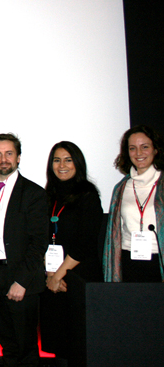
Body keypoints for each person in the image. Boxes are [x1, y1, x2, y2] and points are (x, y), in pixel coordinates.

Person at [0, 133, 48, 367]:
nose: (3, 159)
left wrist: (22, 281)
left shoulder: (34, 193)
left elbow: (39, 242)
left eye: (9, 153)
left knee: (26, 349)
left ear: (18, 158)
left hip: (21, 278)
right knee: (7, 344)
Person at [39, 141, 103, 366]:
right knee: (59, 346)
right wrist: (50, 275)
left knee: (78, 346)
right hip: (53, 281)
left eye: (68, 159)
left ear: (77, 163)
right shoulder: (48, 196)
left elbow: (85, 243)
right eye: (57, 160)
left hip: (78, 278)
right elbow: (43, 240)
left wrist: (58, 276)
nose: (62, 165)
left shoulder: (88, 195)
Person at [103, 125, 164, 282]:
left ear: (155, 149)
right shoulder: (121, 188)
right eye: (132, 148)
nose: (138, 153)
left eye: (145, 147)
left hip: (159, 261)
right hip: (128, 260)